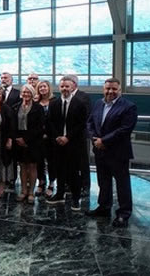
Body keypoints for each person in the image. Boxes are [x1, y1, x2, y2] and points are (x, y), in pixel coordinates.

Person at [86, 78, 137, 227]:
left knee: (122, 184)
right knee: (103, 181)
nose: (110, 92)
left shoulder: (128, 106)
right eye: (108, 89)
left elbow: (125, 129)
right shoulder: (98, 103)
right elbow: (89, 123)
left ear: (120, 90)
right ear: (104, 89)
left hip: (118, 152)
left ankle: (123, 214)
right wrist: (95, 138)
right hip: (100, 151)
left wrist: (104, 141)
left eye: (114, 89)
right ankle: (104, 207)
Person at [46, 75, 89, 210]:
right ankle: (59, 194)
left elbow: (81, 124)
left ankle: (76, 198)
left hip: (74, 143)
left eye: (67, 86)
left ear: (73, 87)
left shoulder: (80, 103)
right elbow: (50, 122)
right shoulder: (54, 103)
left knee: (73, 171)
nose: (64, 89)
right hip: (57, 143)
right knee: (59, 170)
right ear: (59, 88)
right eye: (62, 86)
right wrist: (57, 137)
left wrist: (68, 137)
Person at [14, 84, 44, 204]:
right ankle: (23, 191)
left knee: (32, 166)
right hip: (19, 141)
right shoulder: (16, 107)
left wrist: (26, 140)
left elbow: (40, 127)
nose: (26, 94)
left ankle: (31, 192)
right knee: (22, 166)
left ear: (32, 94)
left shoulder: (38, 108)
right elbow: (13, 124)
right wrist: (18, 138)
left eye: (28, 92)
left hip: (33, 142)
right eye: (24, 92)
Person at [35, 80, 57, 198]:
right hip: (38, 138)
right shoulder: (36, 102)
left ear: (49, 88)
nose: (42, 89)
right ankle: (41, 182)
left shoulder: (55, 102)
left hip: (51, 137)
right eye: (40, 87)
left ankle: (52, 183)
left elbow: (56, 120)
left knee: (52, 161)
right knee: (39, 161)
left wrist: (48, 133)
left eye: (44, 86)